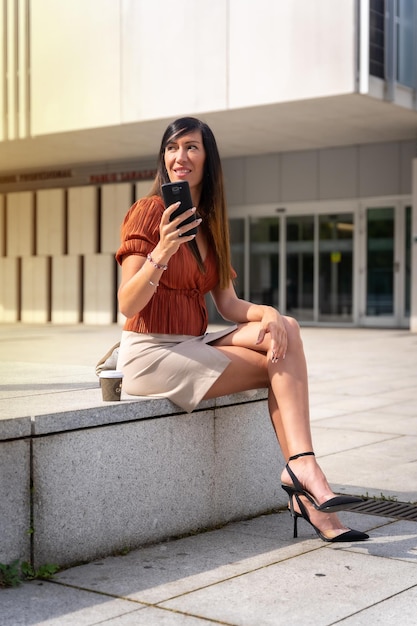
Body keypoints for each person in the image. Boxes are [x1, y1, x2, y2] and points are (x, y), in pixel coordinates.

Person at [115, 116, 368, 543]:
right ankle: (303, 477)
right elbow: (127, 304)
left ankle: (302, 469)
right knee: (276, 362)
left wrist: (267, 312)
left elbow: (229, 305)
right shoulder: (148, 212)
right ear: (163, 157)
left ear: (207, 159)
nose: (181, 157)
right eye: (173, 148)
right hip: (150, 353)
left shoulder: (209, 222)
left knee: (284, 329)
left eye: (192, 147)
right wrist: (163, 248)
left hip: (191, 342)